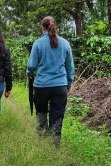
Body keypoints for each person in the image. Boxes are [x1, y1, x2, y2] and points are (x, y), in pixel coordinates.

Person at [27, 16, 74, 147]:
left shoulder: (38, 43)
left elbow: (31, 66)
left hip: (42, 86)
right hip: (60, 86)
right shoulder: (65, 43)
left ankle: (42, 144)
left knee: (41, 114)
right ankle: (54, 147)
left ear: (43, 28)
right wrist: (69, 83)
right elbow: (70, 67)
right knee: (57, 116)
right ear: (55, 27)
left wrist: (29, 74)